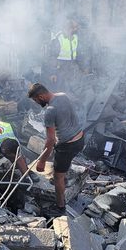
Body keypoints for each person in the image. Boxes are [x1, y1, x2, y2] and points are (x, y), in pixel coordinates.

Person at [28, 83, 84, 217]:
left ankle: (60, 207)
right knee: (59, 158)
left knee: (57, 177)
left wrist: (41, 161)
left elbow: (50, 140)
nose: (37, 103)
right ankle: (64, 173)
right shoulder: (63, 96)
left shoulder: (50, 111)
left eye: (36, 100)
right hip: (80, 139)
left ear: (40, 96)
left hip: (67, 146)